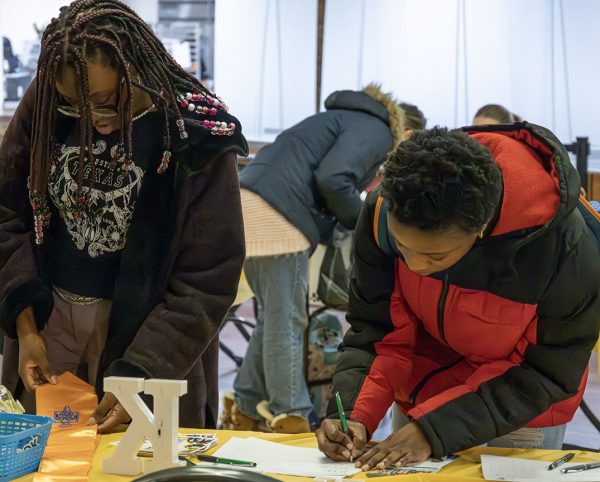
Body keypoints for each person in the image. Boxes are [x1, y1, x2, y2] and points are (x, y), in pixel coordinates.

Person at [0, 0, 247, 432]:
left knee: (136, 459)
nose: (92, 120)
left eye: (103, 100)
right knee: (43, 456)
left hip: (146, 338)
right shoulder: (48, 99)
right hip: (46, 322)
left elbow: (208, 275)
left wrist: (142, 372)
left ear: (134, 67)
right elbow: (6, 212)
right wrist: (26, 328)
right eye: (73, 105)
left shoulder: (195, 133)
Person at [317, 126, 600, 469]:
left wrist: (433, 431)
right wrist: (352, 413)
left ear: (481, 228)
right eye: (401, 246)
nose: (415, 265)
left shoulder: (565, 250)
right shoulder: (386, 208)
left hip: (524, 399)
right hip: (425, 387)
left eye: (435, 256)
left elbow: (547, 370)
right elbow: (377, 330)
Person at [220, 86, 425, 434]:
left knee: (273, 315)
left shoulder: (345, 117)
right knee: (287, 319)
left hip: (249, 201)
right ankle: (292, 414)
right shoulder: (377, 130)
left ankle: (246, 405)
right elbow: (334, 179)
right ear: (404, 133)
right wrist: (367, 224)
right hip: (279, 215)